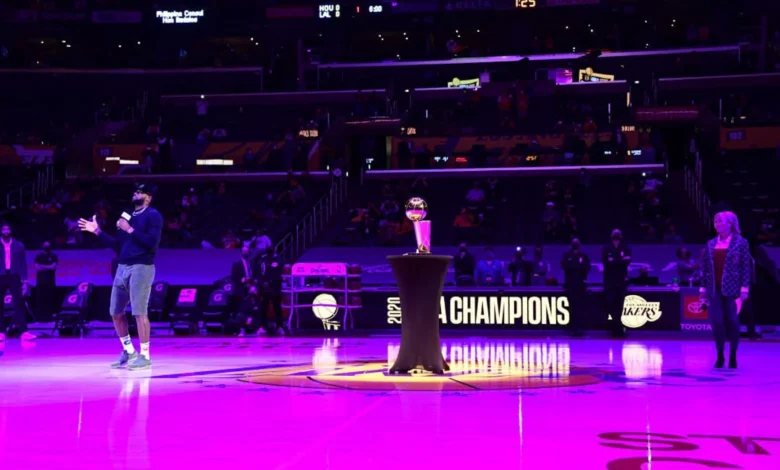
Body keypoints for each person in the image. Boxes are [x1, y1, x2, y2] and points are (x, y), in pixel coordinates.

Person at [79, 184, 163, 370]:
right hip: (122, 267)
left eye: (140, 192)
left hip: (141, 266)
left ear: (148, 197)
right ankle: (129, 351)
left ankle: (145, 355)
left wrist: (130, 229)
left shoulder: (153, 215)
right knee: (115, 312)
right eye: (135, 191)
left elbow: (152, 242)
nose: (135, 193)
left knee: (139, 312)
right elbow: (117, 245)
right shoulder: (128, 216)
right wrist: (98, 232)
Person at [700, 211, 751, 369]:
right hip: (714, 288)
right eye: (715, 221)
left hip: (733, 289)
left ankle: (733, 354)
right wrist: (702, 288)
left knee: (733, 321)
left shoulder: (741, 242)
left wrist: (744, 288)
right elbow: (705, 268)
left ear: (730, 223)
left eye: (720, 221)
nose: (717, 224)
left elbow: (745, 267)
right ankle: (720, 354)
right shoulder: (710, 243)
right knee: (717, 321)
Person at [0, 223, 35, 341]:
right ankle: (1, 332)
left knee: (19, 303)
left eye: (8, 229)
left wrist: (25, 280)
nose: (6, 231)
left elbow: (23, 263)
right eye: (4, 229)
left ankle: (24, 331)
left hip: (14, 275)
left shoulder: (18, 245)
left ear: (11, 231)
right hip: (0, 275)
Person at [602, 229, 631, 338]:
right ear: (611, 235)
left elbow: (627, 261)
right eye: (614, 233)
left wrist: (614, 260)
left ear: (621, 235)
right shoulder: (606, 248)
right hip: (609, 282)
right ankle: (615, 327)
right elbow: (606, 263)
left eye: (618, 233)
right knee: (611, 304)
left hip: (621, 281)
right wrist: (620, 260)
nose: (616, 235)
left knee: (620, 305)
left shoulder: (625, 248)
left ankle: (618, 329)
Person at [561, 238, 591, 336]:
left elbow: (587, 267)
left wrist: (574, 267)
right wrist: (577, 267)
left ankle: (580, 328)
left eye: (577, 243)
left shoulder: (584, 256)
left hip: (581, 285)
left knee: (580, 306)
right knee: (572, 305)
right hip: (570, 284)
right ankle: (572, 328)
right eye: (574, 243)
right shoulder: (567, 255)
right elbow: (564, 266)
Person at [259, 247, 288, 335]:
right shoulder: (263, 260)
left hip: (275, 288)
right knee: (264, 308)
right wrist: (262, 283)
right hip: (265, 289)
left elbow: (278, 274)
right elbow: (260, 273)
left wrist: (272, 282)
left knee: (277, 308)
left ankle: (279, 327)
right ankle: (262, 327)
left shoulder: (278, 260)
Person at [34, 241, 58, 322]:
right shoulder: (38, 256)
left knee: (50, 299)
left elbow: (53, 267)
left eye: (48, 245)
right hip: (40, 282)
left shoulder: (54, 256)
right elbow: (37, 268)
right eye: (45, 245)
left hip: (50, 281)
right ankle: (40, 318)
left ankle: (50, 317)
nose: (46, 246)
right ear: (42, 246)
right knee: (41, 299)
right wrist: (48, 267)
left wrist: (42, 266)